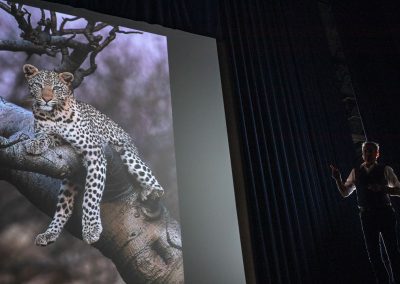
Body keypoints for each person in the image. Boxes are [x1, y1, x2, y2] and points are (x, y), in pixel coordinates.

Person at [330, 141, 400, 284]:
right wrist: (337, 179)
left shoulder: (385, 169)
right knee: (373, 256)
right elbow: (345, 193)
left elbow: (399, 190)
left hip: (385, 213)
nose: (368, 154)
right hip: (367, 216)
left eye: (371, 151)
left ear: (377, 154)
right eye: (365, 151)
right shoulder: (356, 172)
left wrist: (384, 189)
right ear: (362, 154)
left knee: (393, 252)